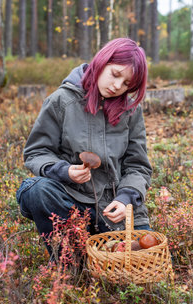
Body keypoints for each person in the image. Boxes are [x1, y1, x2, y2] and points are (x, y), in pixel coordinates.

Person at [16, 38, 153, 256]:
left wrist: (125, 199)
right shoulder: (62, 101)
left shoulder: (130, 112)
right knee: (36, 190)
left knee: (148, 253)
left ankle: (97, 252)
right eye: (116, 74)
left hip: (111, 207)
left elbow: (138, 166)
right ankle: (69, 262)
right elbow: (36, 152)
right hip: (69, 200)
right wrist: (64, 171)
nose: (117, 86)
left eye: (127, 84)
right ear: (102, 61)